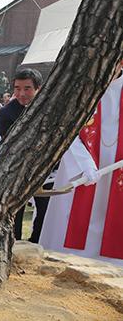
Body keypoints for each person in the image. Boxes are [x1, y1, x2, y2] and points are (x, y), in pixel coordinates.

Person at [39, 61, 123, 265]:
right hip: (82, 166)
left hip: (117, 168)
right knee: (74, 217)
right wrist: (84, 163)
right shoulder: (80, 88)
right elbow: (64, 129)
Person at [0, 68, 48, 242]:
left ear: (38, 88)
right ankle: (14, 243)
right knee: (15, 211)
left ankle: (37, 241)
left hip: (47, 169)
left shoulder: (50, 106)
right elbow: (8, 145)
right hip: (18, 169)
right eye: (17, 88)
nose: (21, 93)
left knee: (46, 209)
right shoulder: (6, 112)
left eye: (27, 88)